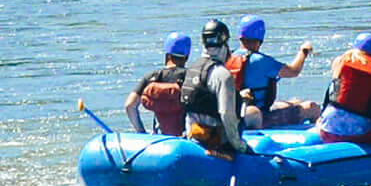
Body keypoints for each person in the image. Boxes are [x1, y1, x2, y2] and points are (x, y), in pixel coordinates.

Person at [235, 17, 319, 129]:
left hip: (238, 113)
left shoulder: (230, 57)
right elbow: (294, 71)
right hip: (260, 118)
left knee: (295, 101)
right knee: (312, 107)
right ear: (260, 38)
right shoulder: (262, 61)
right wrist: (303, 51)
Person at [183, 19, 248, 159]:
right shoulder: (223, 75)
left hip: (193, 138)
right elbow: (226, 114)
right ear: (224, 43)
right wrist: (239, 146)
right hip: (216, 143)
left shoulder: (192, 69)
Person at [123, 35, 192, 136]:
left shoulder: (152, 77)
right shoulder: (191, 76)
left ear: (167, 56)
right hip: (185, 139)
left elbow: (129, 105)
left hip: (160, 140)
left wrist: (141, 133)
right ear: (187, 57)